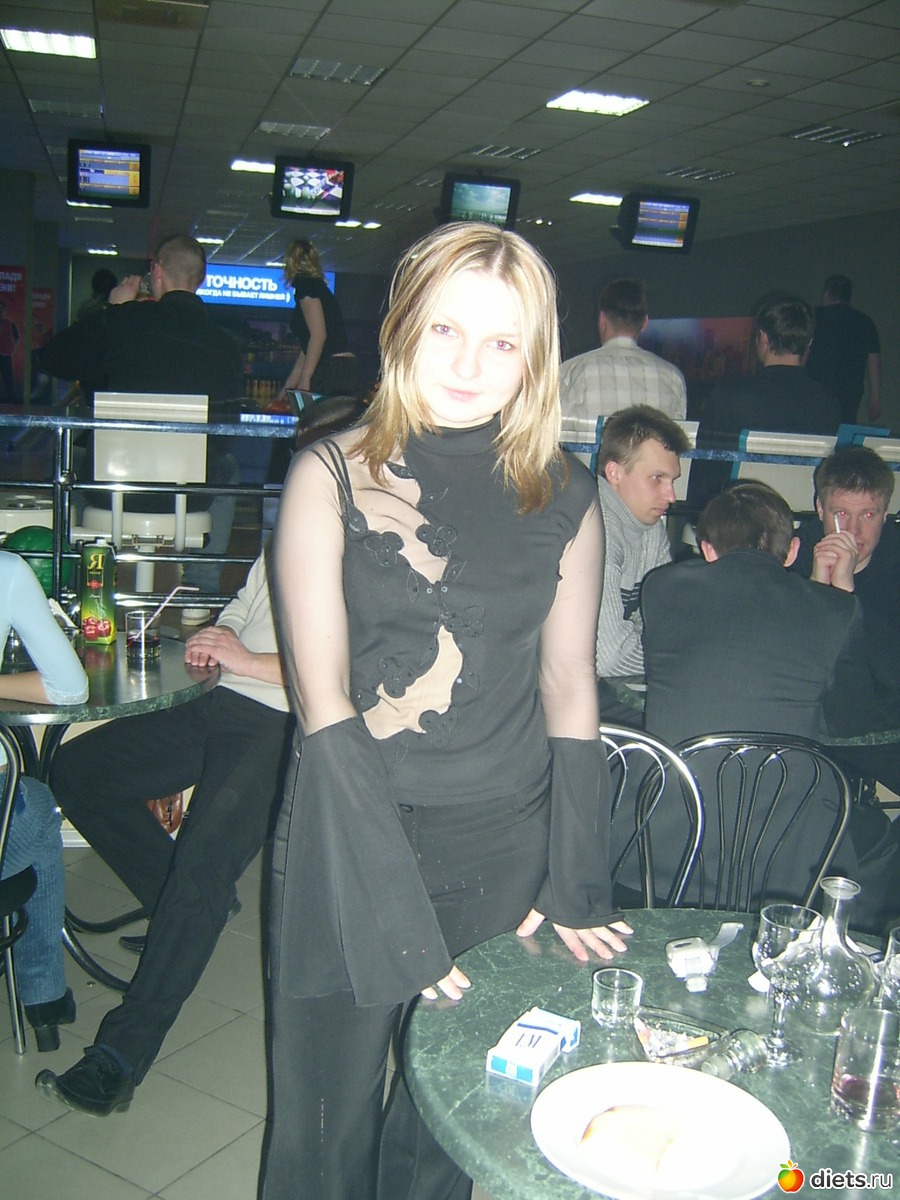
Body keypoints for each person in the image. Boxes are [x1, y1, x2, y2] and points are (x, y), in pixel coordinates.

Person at [259, 221, 630, 1200]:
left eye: (502, 341)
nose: (470, 365)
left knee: (452, 1126)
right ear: (403, 329)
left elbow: (569, 682)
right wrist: (393, 905)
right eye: (446, 330)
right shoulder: (330, 472)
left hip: (497, 842)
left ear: (534, 356)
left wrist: (576, 874)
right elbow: (322, 700)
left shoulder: (565, 490)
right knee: (323, 1128)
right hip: (347, 837)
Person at [35, 552, 293, 1115]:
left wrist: (247, 659)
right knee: (78, 773)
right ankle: (179, 905)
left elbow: (355, 670)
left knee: (201, 868)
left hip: (280, 719)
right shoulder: (292, 531)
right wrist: (219, 636)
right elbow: (246, 603)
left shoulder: (368, 546)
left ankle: (118, 1060)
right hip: (218, 696)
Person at [632, 481, 897, 920]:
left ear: (707, 549)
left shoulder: (660, 588)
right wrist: (837, 594)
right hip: (789, 849)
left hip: (666, 835)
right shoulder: (835, 609)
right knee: (879, 839)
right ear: (792, 551)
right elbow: (849, 722)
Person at [36, 234, 243, 593]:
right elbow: (226, 433)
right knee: (228, 467)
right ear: (202, 279)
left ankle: (84, 579)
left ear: (156, 271)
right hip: (190, 493)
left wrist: (112, 310)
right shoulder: (226, 344)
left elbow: (53, 358)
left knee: (70, 458)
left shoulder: (122, 321)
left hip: (111, 488)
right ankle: (199, 590)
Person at [0, 551, 88, 1050]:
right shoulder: (7, 572)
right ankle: (42, 998)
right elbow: (69, 689)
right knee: (36, 806)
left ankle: (44, 996)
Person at [791, 445, 900, 793]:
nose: (853, 530)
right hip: (802, 729)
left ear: (885, 514)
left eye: (868, 514)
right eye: (841, 513)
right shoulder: (790, 556)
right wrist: (816, 592)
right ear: (819, 508)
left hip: (884, 730)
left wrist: (845, 595)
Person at [689, 294, 842, 508]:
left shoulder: (729, 397)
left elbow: (704, 474)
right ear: (809, 343)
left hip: (738, 515)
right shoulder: (828, 404)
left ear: (762, 338)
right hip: (803, 515)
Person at [593, 405, 690, 726]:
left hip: (601, 683)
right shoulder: (596, 528)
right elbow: (608, 657)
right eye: (657, 478)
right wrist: (685, 658)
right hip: (546, 695)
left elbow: (665, 619)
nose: (671, 496)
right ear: (614, 473)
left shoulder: (650, 528)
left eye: (672, 480)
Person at [559, 277, 687, 426]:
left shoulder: (572, 372)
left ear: (602, 319)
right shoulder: (673, 377)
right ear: (645, 323)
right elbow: (679, 437)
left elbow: (554, 432)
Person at [277, 238, 358, 402]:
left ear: (290, 262)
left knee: (319, 418)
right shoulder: (319, 287)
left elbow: (318, 336)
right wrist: (288, 388)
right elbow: (308, 349)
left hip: (332, 368)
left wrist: (305, 381)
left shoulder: (305, 286)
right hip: (343, 367)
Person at [806, 274, 882, 425]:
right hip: (849, 391)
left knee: (813, 430)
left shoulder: (813, 318)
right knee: (844, 431)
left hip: (815, 388)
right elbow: (874, 363)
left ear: (826, 294)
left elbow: (802, 351)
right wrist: (875, 398)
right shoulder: (864, 322)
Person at [0, 298, 21, 402]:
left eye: (1, 309)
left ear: (5, 311)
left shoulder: (10, 324)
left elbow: (17, 338)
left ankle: (12, 400)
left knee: (8, 378)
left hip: (5, 356)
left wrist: (11, 350)